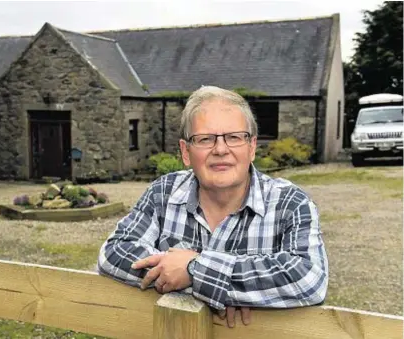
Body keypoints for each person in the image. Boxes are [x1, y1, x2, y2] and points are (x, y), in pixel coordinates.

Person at [97, 85, 328, 328]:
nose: (220, 150)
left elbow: (308, 277)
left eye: (234, 137)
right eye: (205, 139)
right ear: (186, 152)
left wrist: (192, 270)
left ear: (252, 147)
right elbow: (114, 252)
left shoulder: (290, 203)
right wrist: (224, 290)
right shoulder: (163, 192)